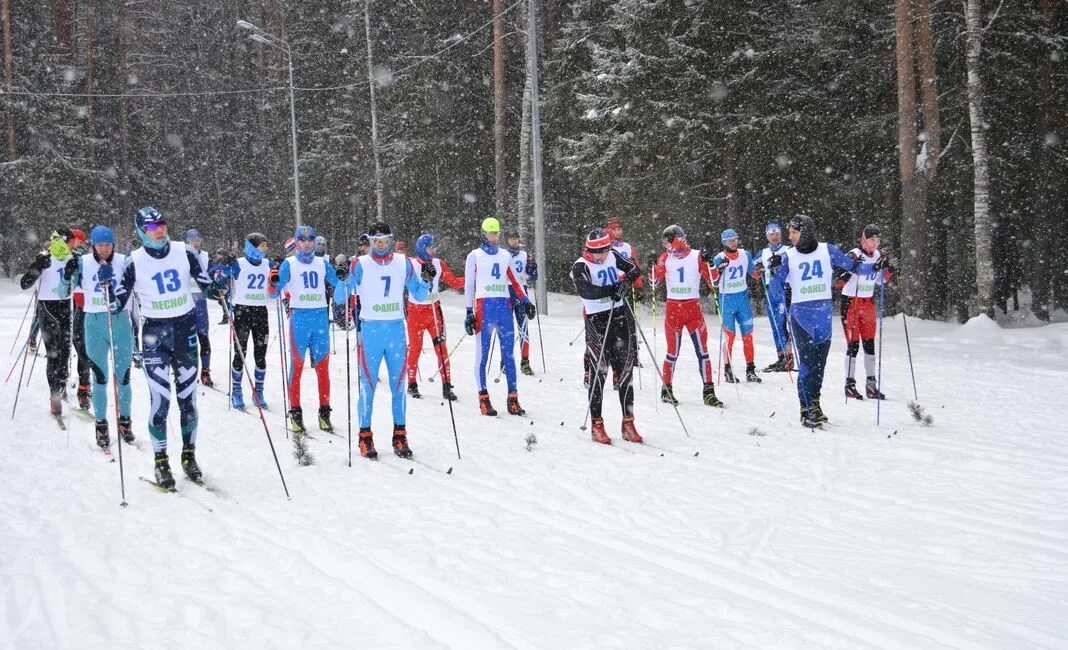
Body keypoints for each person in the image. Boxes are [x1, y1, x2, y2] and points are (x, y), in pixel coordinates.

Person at [112, 207, 224, 487]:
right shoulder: (133, 261)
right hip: (154, 336)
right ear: (140, 232)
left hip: (185, 331)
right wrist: (107, 292)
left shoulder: (185, 251)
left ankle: (189, 456)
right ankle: (161, 462)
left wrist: (218, 287)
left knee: (188, 400)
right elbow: (118, 303)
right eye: (151, 228)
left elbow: (206, 284)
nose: (159, 231)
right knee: (159, 401)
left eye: (161, 224)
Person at [767, 214, 888, 427]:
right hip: (801, 315)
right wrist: (775, 269)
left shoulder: (827, 250)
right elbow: (776, 289)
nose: (790, 236)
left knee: (820, 365)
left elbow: (855, 268)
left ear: (805, 233)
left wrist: (876, 267)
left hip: (823, 316)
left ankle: (815, 404)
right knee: (807, 365)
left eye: (794, 232)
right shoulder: (789, 256)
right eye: (791, 232)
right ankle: (805, 409)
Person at [342, 222, 433, 459]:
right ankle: (365, 436)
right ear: (370, 242)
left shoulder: (404, 263)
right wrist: (342, 277)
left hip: (395, 329)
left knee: (399, 386)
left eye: (384, 241)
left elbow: (420, 294)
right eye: (375, 242)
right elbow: (340, 297)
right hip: (371, 331)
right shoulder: (359, 264)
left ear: (391, 240)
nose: (380, 245)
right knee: (368, 386)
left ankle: (400, 436)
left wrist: (426, 279)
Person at [61, 225, 136, 448]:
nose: (104, 249)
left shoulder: (124, 261)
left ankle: (125, 421)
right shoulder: (83, 262)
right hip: (94, 323)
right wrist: (68, 274)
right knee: (100, 378)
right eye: (100, 244)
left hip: (121, 322)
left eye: (108, 244)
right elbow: (62, 292)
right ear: (93, 245)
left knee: (123, 377)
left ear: (113, 244)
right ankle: (101, 424)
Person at [570, 229, 643, 444]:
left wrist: (626, 282)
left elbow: (633, 268)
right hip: (597, 322)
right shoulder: (580, 265)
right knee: (599, 372)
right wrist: (612, 289)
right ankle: (597, 424)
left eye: (602, 251)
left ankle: (628, 423)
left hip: (619, 317)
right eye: (595, 252)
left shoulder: (612, 255)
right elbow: (586, 291)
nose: (599, 256)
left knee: (626, 371)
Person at [269, 225, 343, 434]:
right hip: (299, 318)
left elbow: (340, 281)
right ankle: (295, 412)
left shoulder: (322, 263)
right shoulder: (289, 264)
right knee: (297, 366)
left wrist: (346, 274)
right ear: (296, 242)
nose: (307, 243)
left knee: (323, 368)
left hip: (320, 318)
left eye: (310, 239)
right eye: (302, 240)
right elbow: (274, 293)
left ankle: (325, 413)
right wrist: (272, 280)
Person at [464, 217, 536, 417]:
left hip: (504, 307)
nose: (493, 237)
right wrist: (469, 312)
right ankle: (483, 398)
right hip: (484, 308)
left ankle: (513, 398)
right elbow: (469, 285)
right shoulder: (474, 256)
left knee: (509, 355)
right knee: (483, 355)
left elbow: (514, 281)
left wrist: (525, 301)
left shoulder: (505, 255)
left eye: (496, 233)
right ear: (483, 233)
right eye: (490, 233)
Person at [650, 224, 723, 408]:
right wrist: (651, 268)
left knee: (703, 351)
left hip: (693, 310)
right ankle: (666, 390)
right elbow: (654, 283)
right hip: (673, 310)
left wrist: (711, 263)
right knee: (672, 352)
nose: (666, 246)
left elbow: (714, 281)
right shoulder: (665, 258)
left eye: (668, 242)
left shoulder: (697, 256)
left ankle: (708, 392)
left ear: (677, 240)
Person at [20, 228, 78, 418]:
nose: (71, 245)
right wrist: (36, 268)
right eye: (69, 242)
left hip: (66, 307)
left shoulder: (72, 258)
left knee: (66, 352)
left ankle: (60, 386)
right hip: (47, 309)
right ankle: (54, 395)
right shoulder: (44, 258)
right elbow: (25, 284)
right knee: (54, 352)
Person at [406, 233, 465, 400]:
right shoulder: (411, 264)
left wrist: (471, 278)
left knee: (441, 349)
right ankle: (411, 383)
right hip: (416, 312)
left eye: (434, 248)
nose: (433, 251)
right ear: (421, 248)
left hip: (434, 311)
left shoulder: (438, 264)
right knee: (415, 348)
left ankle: (447, 385)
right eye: (430, 248)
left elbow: (453, 281)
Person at [839, 224, 889, 400]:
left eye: (877, 239)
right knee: (853, 345)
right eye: (871, 239)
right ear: (863, 239)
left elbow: (880, 281)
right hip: (851, 302)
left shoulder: (878, 255)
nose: (875, 243)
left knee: (869, 344)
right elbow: (839, 280)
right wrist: (851, 270)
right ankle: (849, 384)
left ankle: (871, 384)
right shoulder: (855, 254)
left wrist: (889, 269)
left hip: (867, 303)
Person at [223, 233, 273, 410]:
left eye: (266, 245)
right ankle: (236, 390)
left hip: (260, 312)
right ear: (252, 247)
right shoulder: (240, 263)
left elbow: (276, 282)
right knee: (240, 352)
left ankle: (258, 391)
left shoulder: (267, 264)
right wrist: (224, 267)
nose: (266, 249)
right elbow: (221, 276)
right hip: (243, 311)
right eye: (262, 246)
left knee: (260, 354)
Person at [706, 228, 763, 384]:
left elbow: (754, 274)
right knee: (729, 337)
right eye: (730, 240)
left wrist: (762, 270)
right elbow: (712, 282)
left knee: (748, 336)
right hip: (727, 301)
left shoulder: (745, 255)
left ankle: (750, 370)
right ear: (724, 242)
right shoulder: (719, 258)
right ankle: (728, 370)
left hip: (742, 299)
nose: (734, 242)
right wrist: (718, 269)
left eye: (735, 239)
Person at [606, 218, 643, 378]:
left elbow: (635, 264)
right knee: (612, 322)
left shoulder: (628, 246)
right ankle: (611, 356)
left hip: (627, 285)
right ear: (610, 231)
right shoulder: (607, 246)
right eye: (615, 229)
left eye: (620, 229)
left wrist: (638, 284)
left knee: (630, 320)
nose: (618, 232)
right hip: (613, 285)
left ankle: (633, 355)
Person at [757, 222, 792, 372]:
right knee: (775, 326)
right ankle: (781, 357)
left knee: (783, 325)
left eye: (777, 233)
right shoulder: (763, 252)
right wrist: (758, 268)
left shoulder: (788, 250)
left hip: (785, 292)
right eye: (771, 234)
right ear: (767, 236)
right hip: (770, 293)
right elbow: (753, 267)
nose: (775, 237)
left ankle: (788, 357)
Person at [68, 229, 94, 411]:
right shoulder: (66, 254)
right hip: (69, 305)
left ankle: (84, 386)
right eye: (73, 240)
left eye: (79, 240)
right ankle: (63, 385)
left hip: (86, 307)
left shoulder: (85, 257)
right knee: (76, 345)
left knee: (84, 349)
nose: (76, 243)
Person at [184, 229, 214, 386]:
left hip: (200, 300)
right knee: (186, 339)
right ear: (187, 240)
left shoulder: (205, 256)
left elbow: (212, 274)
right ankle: (187, 370)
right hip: (185, 300)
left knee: (203, 337)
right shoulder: (181, 255)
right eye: (192, 239)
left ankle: (205, 371)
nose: (196, 241)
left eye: (198, 238)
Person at [503, 232, 534, 376]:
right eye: (512, 239)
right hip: (507, 293)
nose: (514, 241)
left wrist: (533, 267)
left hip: (522, 293)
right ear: (507, 240)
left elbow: (532, 276)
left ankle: (525, 361)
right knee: (507, 329)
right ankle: (505, 360)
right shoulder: (502, 254)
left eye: (516, 239)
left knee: (523, 328)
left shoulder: (524, 254)